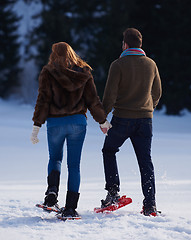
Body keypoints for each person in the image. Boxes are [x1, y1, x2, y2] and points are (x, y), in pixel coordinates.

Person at [31, 42, 111, 219]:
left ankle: (51, 196)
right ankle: (70, 208)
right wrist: (103, 120)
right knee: (74, 165)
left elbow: (43, 100)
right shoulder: (83, 73)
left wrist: (37, 125)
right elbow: (93, 100)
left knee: (55, 158)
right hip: (77, 123)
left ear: (54, 54)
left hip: (55, 124)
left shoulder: (48, 72)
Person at [99, 28, 162, 216]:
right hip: (145, 121)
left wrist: (103, 118)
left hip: (122, 119)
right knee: (145, 161)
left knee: (109, 150)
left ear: (125, 44)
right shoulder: (151, 64)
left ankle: (113, 193)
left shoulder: (118, 65)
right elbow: (157, 93)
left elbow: (109, 95)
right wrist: (148, 108)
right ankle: (150, 204)